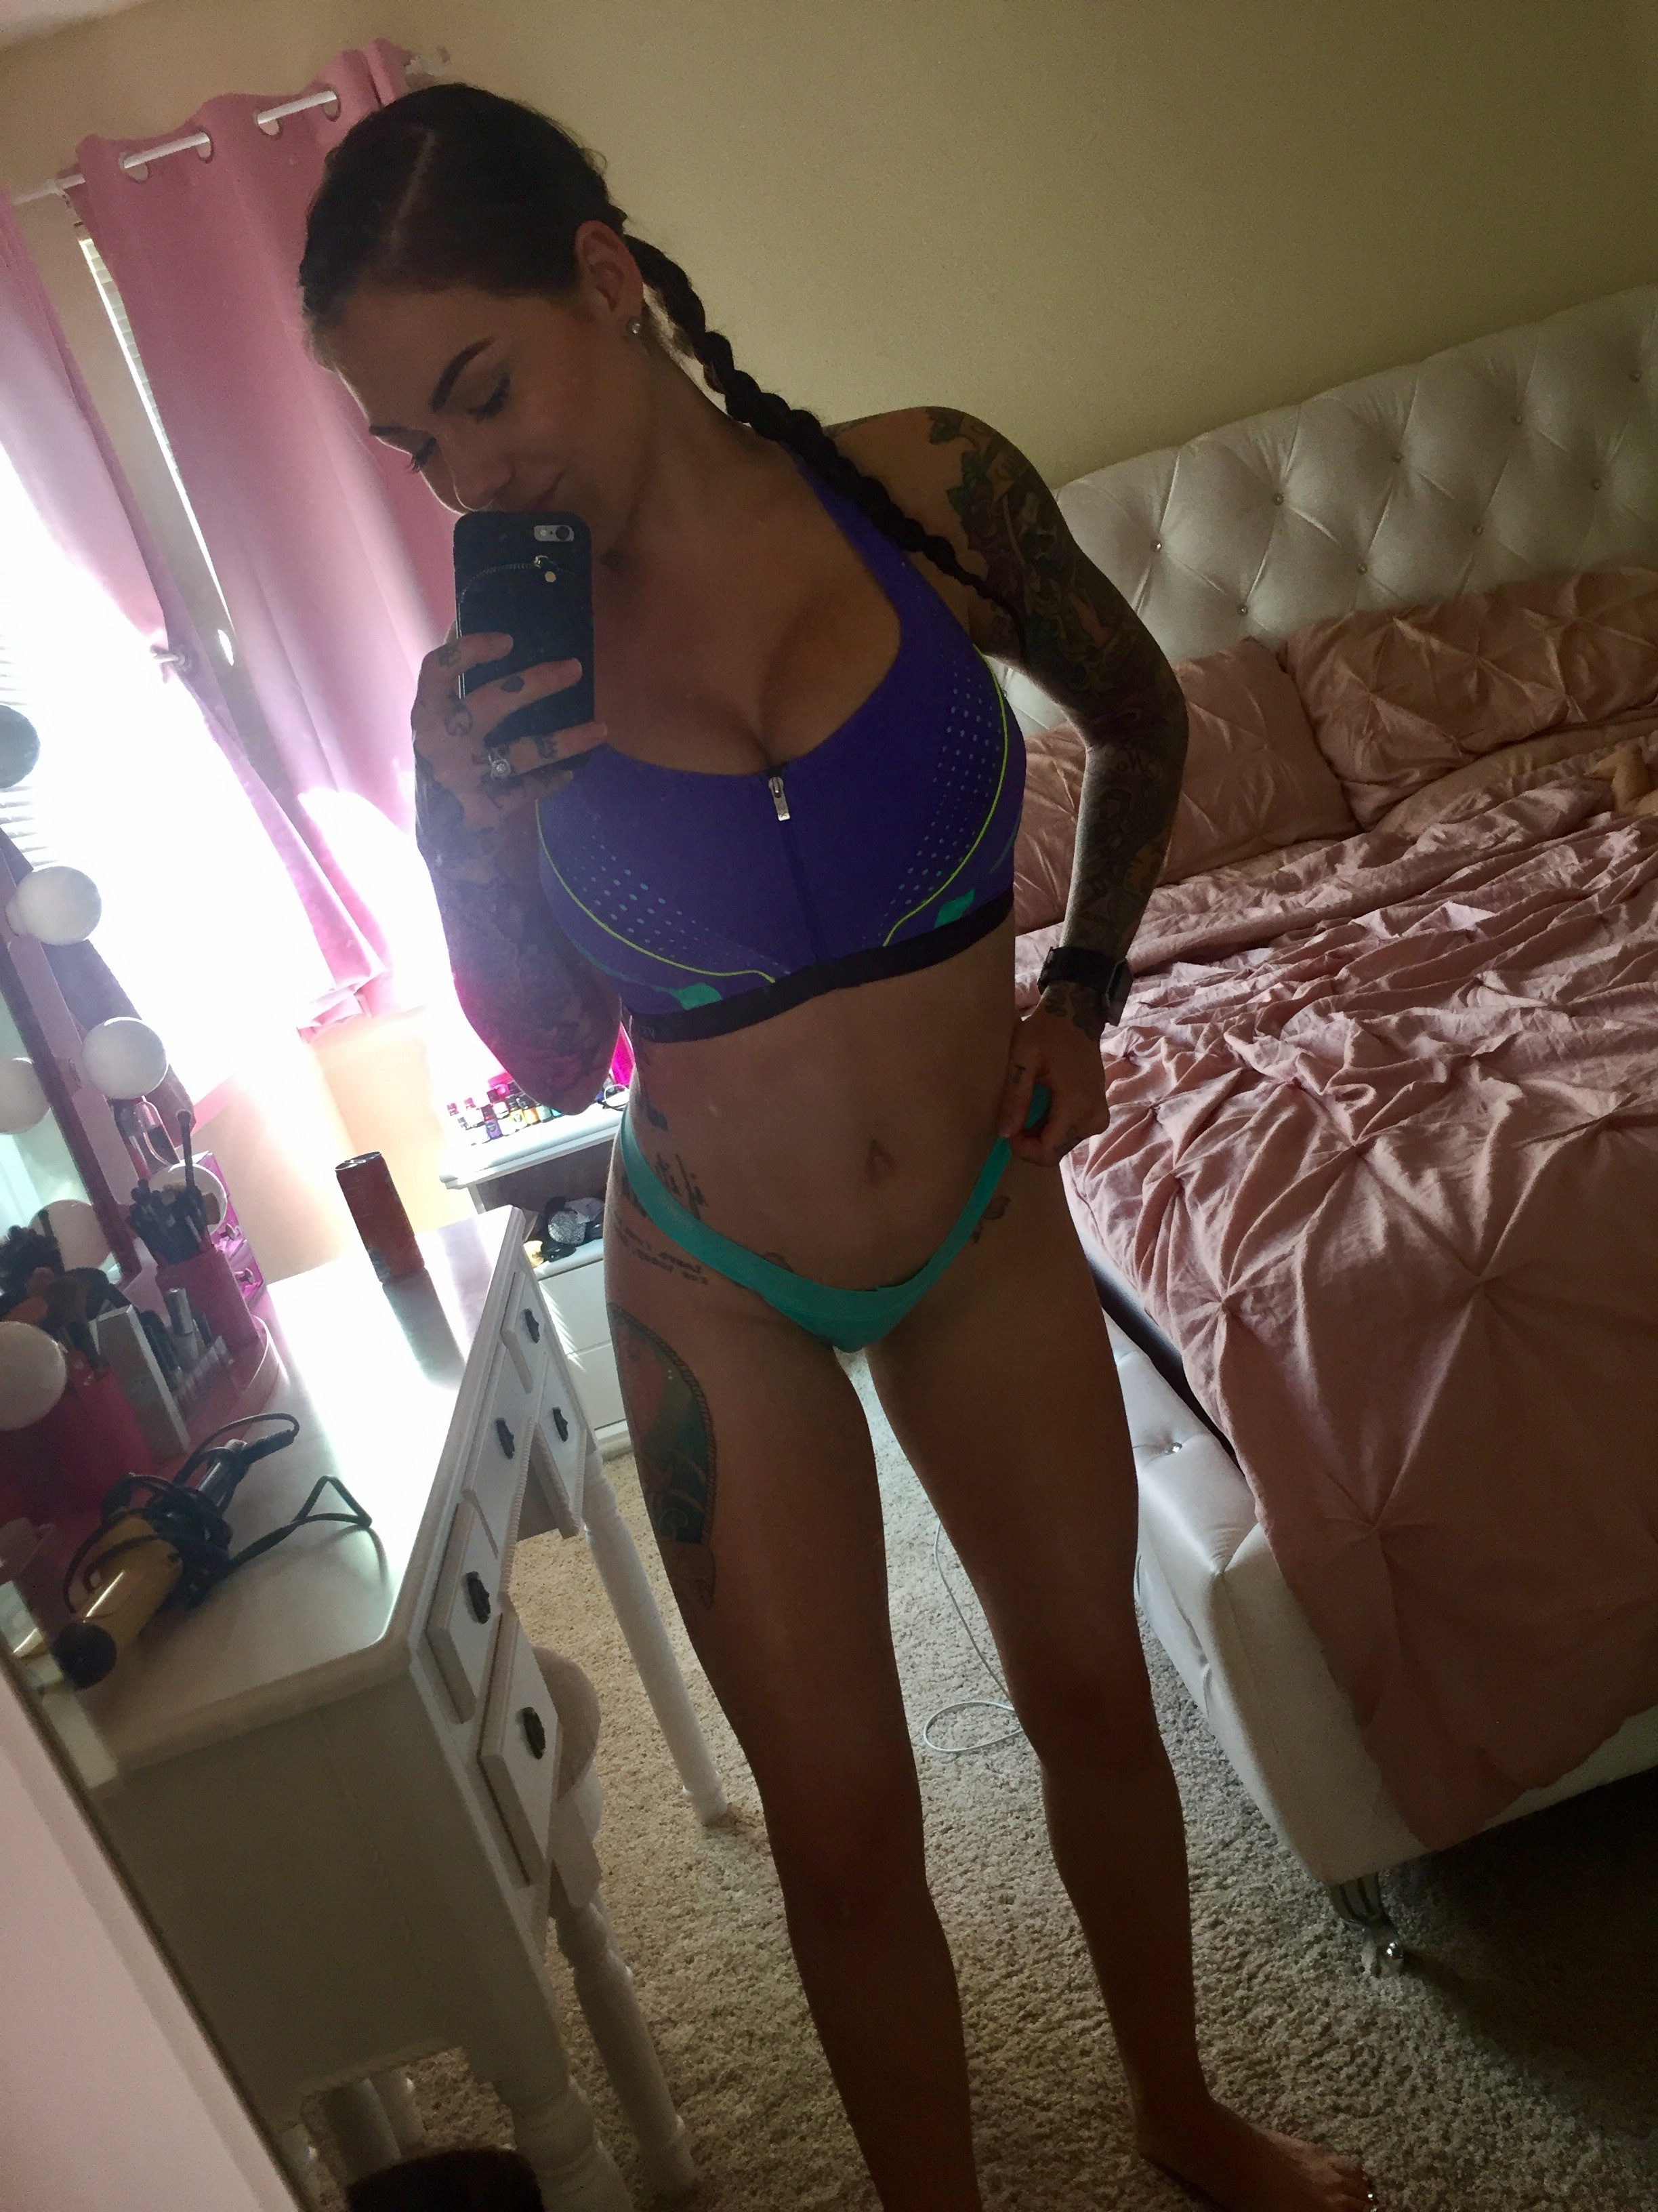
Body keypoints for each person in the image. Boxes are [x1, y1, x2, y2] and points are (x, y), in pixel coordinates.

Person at [299, 83, 1373, 2212]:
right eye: (416, 445)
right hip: (718, 1282)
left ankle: (1179, 2114)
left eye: (483, 390)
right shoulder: (505, 685)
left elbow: (1142, 713)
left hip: (980, 1216)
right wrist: (465, 831)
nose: (467, 477)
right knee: (846, 1834)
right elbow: (545, 1048)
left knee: (1094, 1699)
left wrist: (1087, 993)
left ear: (604, 277)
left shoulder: (927, 490)